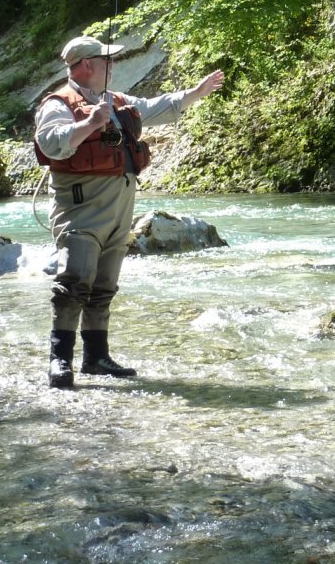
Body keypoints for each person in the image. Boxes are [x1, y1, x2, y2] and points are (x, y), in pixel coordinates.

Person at [33, 34, 225, 389]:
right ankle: (60, 359)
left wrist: (196, 93)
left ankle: (96, 357)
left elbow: (155, 107)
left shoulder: (117, 101)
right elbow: (52, 143)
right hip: (81, 210)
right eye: (107, 60)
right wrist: (89, 123)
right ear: (87, 65)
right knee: (74, 279)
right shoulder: (58, 104)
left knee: (104, 283)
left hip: (119, 210)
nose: (114, 65)